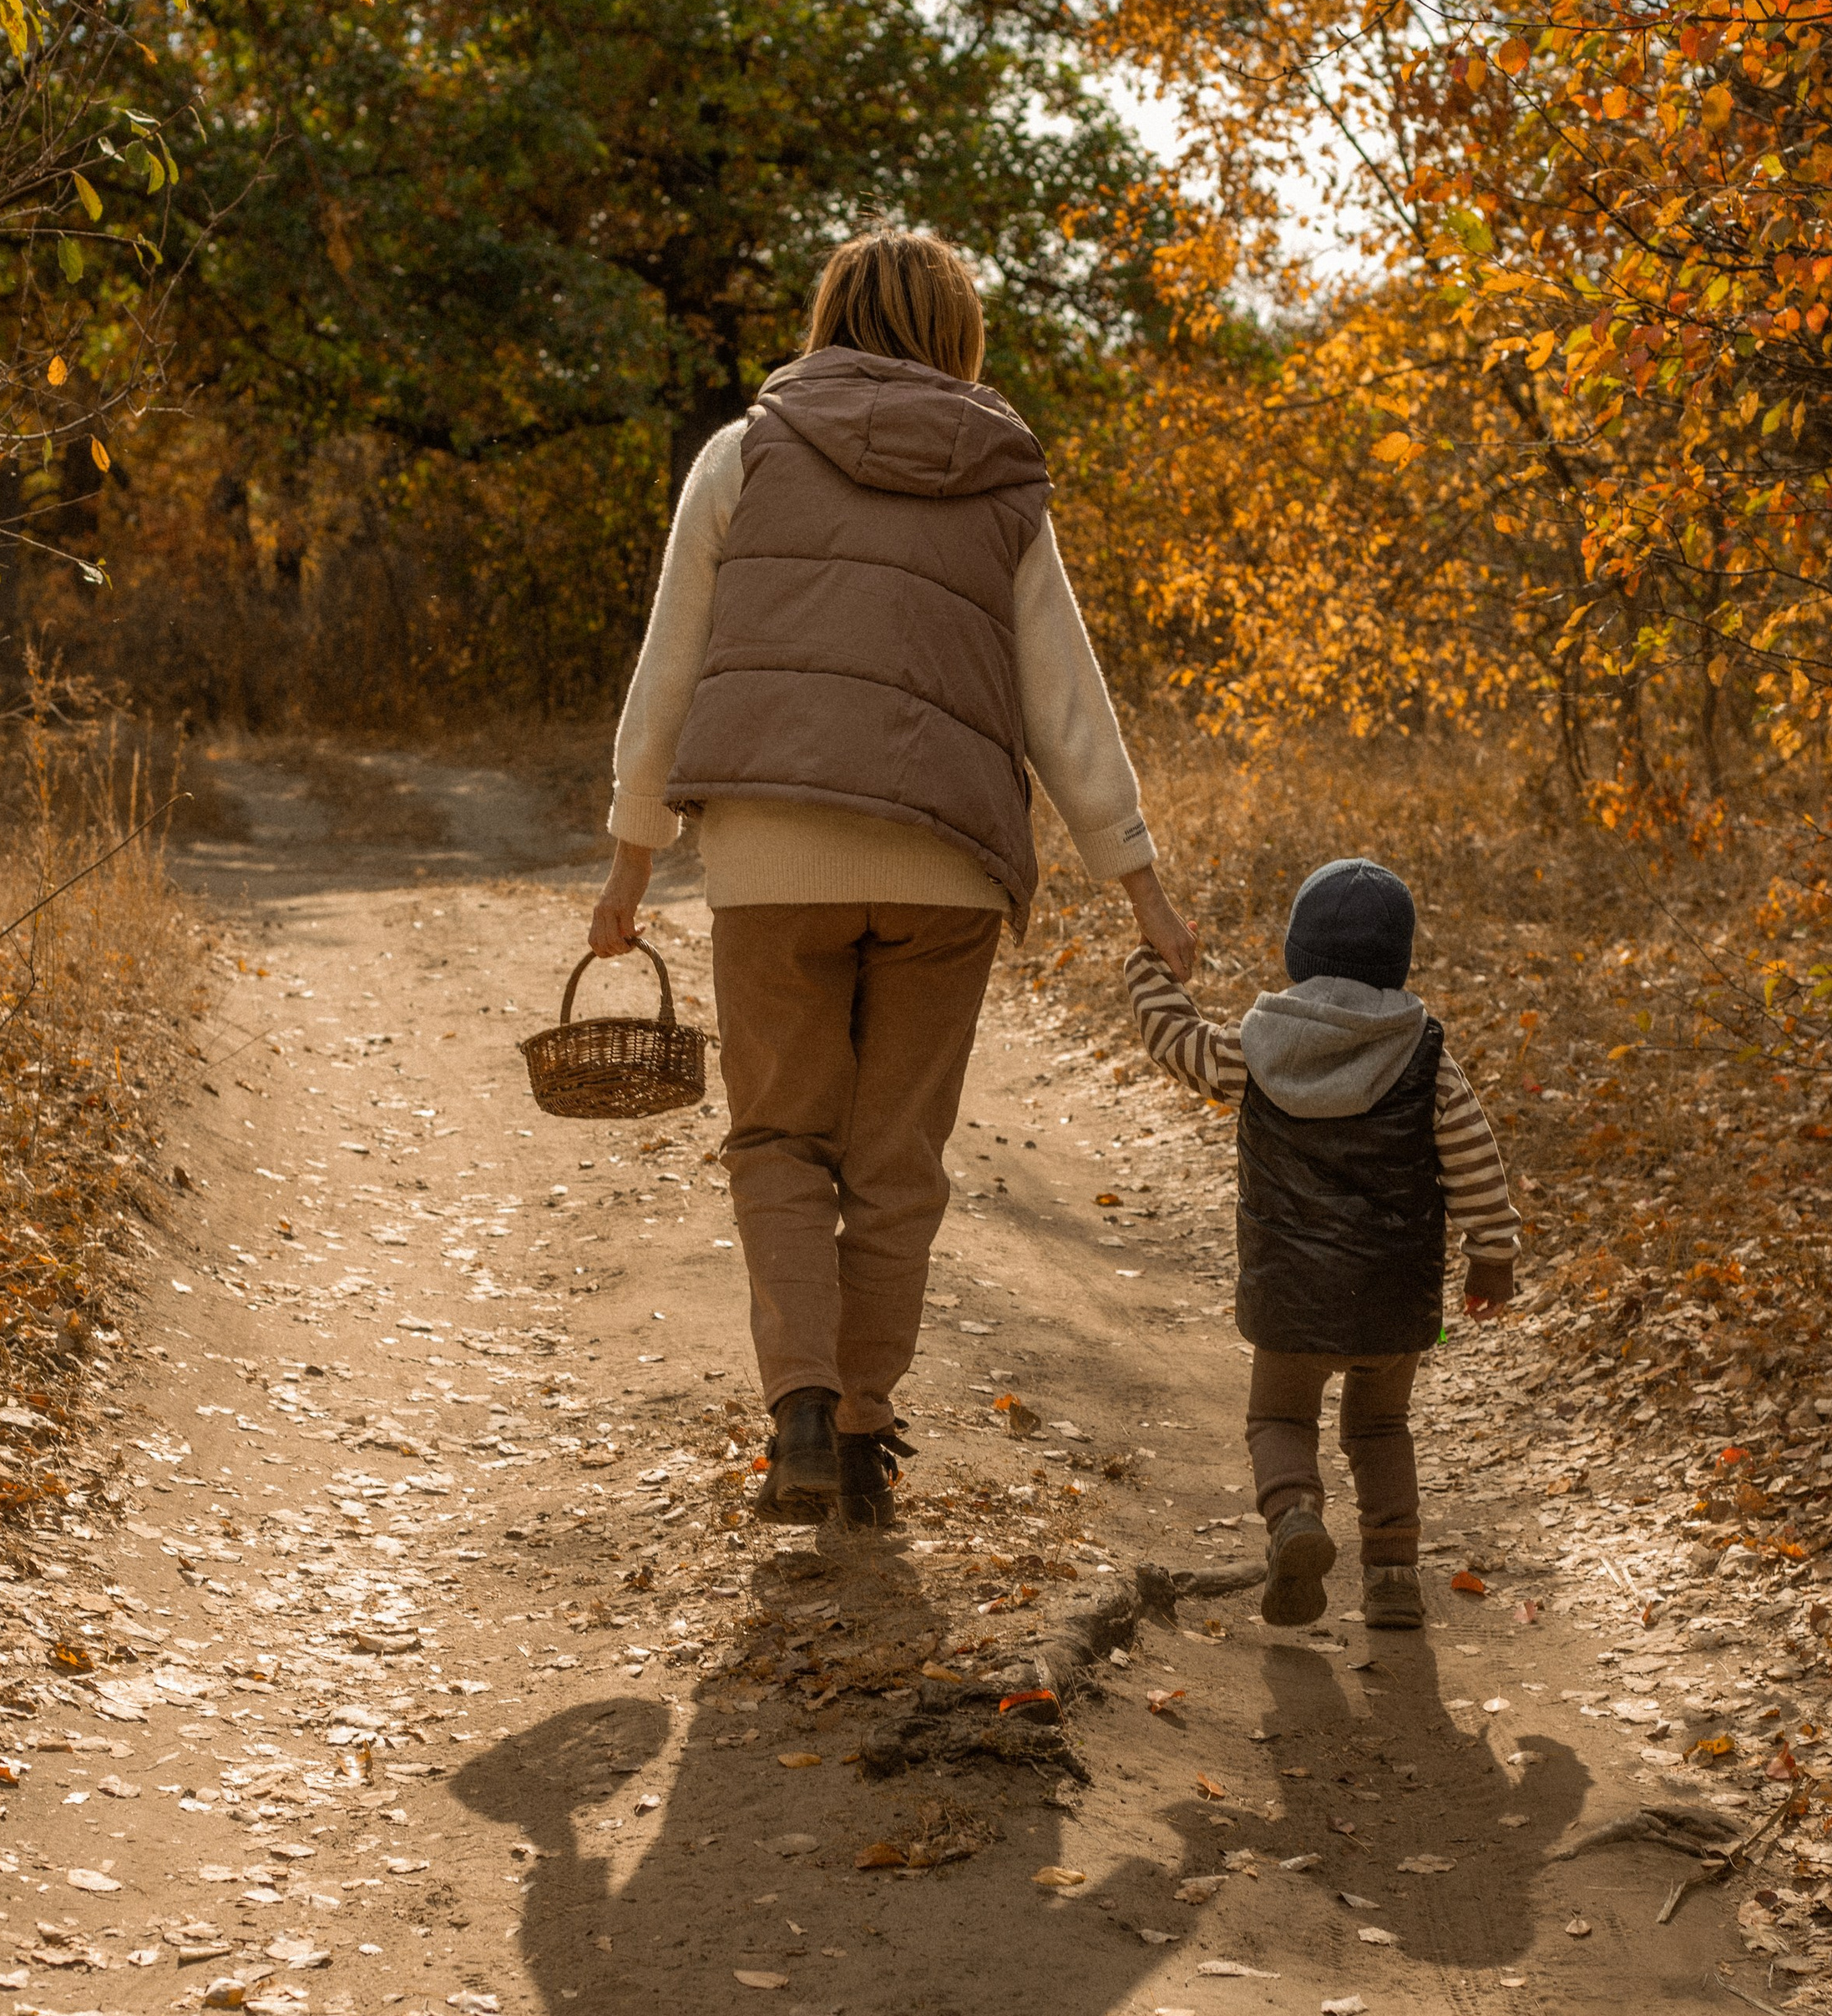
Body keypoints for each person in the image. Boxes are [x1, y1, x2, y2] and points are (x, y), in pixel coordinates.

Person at [591, 227, 1193, 1531]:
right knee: (896, 1157)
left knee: (778, 1138)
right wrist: (1139, 884)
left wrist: (632, 861)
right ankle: (867, 1436)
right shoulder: (1001, 476)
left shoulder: (743, 454)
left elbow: (672, 667)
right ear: (957, 329)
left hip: (769, 853)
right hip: (947, 864)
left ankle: (803, 1414)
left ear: (829, 314)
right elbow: (1063, 699)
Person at [1123, 855, 1520, 1629]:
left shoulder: (1256, 1050)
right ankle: (1395, 1577)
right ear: (1398, 961)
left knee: (1278, 1421)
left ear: (1296, 956)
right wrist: (1492, 1257)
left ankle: (1296, 1516)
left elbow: (1175, 1042)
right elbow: (1476, 1162)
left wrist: (1149, 967)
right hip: (1395, 1300)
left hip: (1287, 1293)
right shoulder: (1428, 1060)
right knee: (1379, 1427)